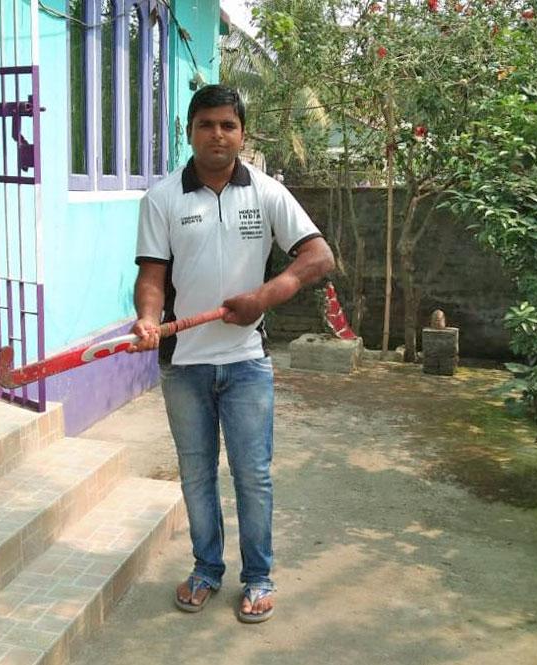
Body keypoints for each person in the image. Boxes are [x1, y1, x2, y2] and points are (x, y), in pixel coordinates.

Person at [131, 84, 334, 623]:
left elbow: (318, 256)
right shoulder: (161, 199)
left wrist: (265, 297)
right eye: (206, 125)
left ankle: (259, 577)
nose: (217, 135)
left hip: (247, 361)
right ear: (189, 131)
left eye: (228, 125)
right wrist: (150, 318)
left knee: (253, 475)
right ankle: (205, 570)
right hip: (185, 365)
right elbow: (151, 277)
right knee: (196, 476)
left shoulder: (267, 193)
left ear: (242, 134)